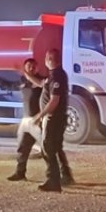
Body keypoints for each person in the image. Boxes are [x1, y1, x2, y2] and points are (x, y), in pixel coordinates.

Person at [32, 48, 74, 192]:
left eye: (46, 57)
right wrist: (26, 73)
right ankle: (66, 176)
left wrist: (40, 115)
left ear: (49, 59)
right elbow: (41, 84)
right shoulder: (54, 75)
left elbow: (54, 101)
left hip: (53, 118)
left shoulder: (57, 77)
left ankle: (53, 181)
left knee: (48, 149)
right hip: (54, 118)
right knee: (55, 148)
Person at [8, 58, 45, 182]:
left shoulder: (41, 80)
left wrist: (26, 74)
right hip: (25, 120)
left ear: (37, 68)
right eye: (28, 66)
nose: (31, 69)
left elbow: (40, 84)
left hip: (37, 120)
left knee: (47, 149)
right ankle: (20, 173)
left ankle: (59, 175)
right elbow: (8, 84)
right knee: (22, 148)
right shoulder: (23, 81)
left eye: (33, 66)